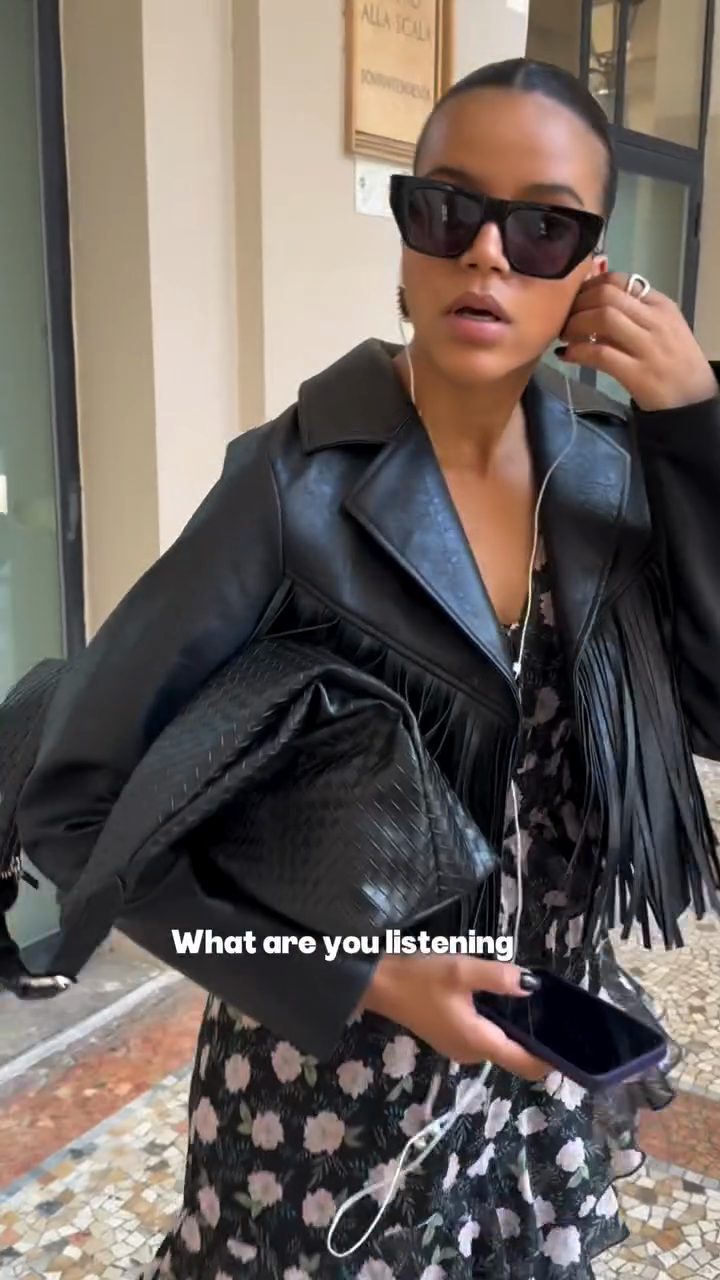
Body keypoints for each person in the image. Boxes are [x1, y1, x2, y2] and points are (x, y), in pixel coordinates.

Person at [17, 58, 720, 1280]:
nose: (487, 252)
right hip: (319, 1101)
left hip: (533, 1080)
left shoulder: (609, 483)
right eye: (447, 208)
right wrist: (371, 974)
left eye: (543, 227)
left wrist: (695, 431)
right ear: (405, 235)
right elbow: (78, 811)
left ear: (593, 272)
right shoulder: (287, 486)